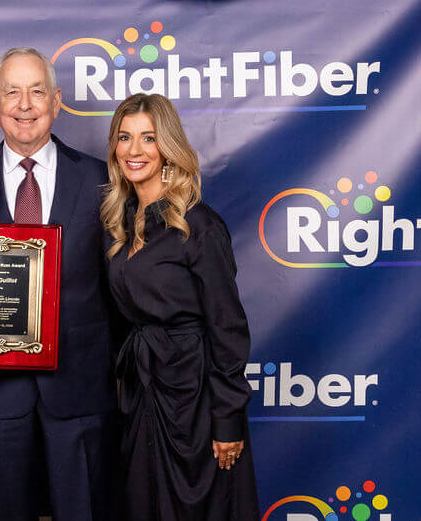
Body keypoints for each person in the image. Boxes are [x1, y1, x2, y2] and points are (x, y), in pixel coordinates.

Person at [0, 47, 119, 521]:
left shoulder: (101, 179)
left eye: (37, 92)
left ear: (56, 101)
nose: (25, 105)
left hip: (80, 387)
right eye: (12, 92)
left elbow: (119, 285)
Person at [101, 92, 258, 521]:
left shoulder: (200, 226)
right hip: (142, 394)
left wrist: (227, 419)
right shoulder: (118, 224)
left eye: (148, 138)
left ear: (167, 147)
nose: (134, 150)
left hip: (195, 401)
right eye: (124, 137)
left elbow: (228, 327)